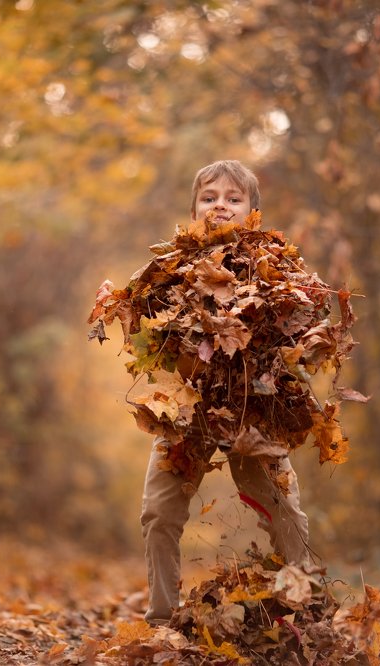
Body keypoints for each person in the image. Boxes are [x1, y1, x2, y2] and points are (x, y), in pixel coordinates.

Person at [140, 160, 311, 625]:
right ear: (195, 207)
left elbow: (303, 333)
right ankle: (162, 620)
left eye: (233, 199)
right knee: (159, 512)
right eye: (210, 197)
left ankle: (304, 614)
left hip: (253, 409)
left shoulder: (277, 267)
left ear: (252, 209)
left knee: (285, 514)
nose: (221, 206)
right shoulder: (169, 267)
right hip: (187, 408)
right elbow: (147, 332)